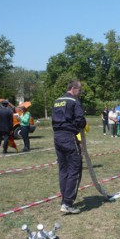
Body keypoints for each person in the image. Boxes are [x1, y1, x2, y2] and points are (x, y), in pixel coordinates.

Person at [52, 80, 87, 214]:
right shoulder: (74, 101)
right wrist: (82, 125)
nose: (80, 93)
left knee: (63, 169)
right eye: (80, 90)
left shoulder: (57, 101)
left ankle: (64, 199)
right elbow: (80, 120)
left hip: (57, 136)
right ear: (74, 89)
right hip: (69, 136)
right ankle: (67, 203)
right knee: (75, 169)